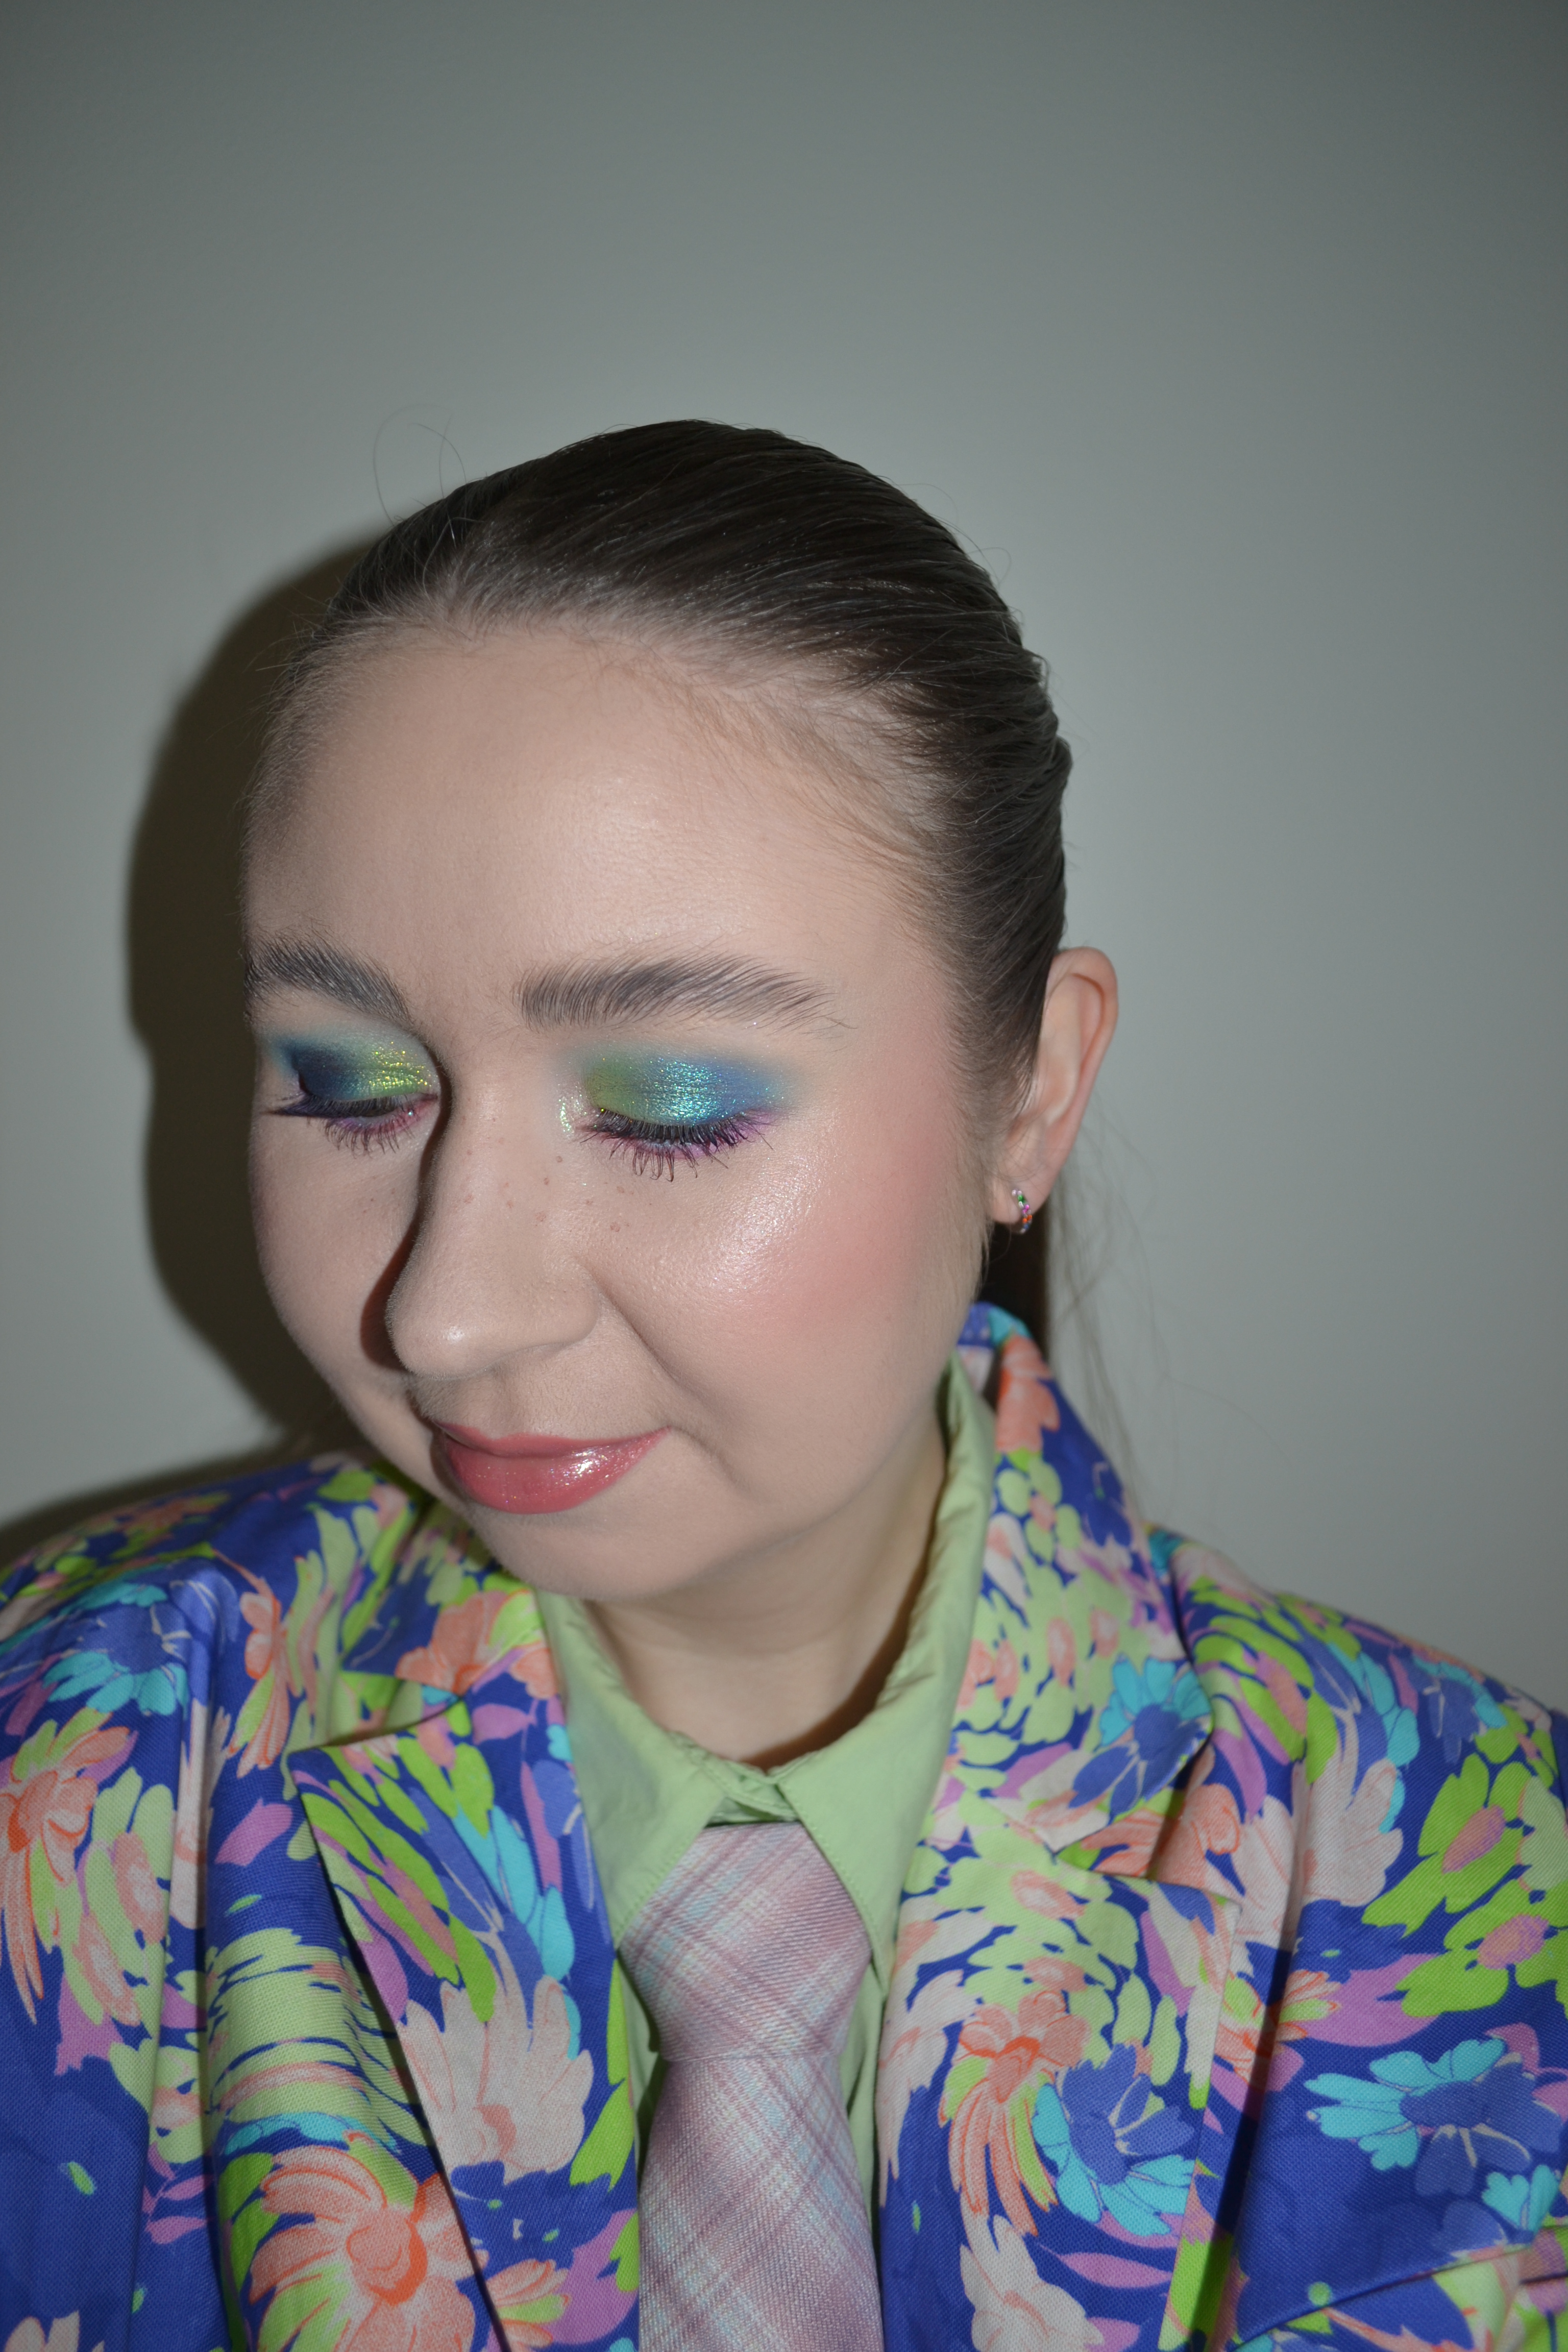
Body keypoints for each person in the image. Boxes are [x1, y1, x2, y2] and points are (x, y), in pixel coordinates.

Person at [0, 423, 1563, 2352]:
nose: (448, 1315)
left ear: (1033, 1090)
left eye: (667, 1107)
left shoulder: (1496, 1879)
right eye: (347, 1084)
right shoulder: (67, 1765)